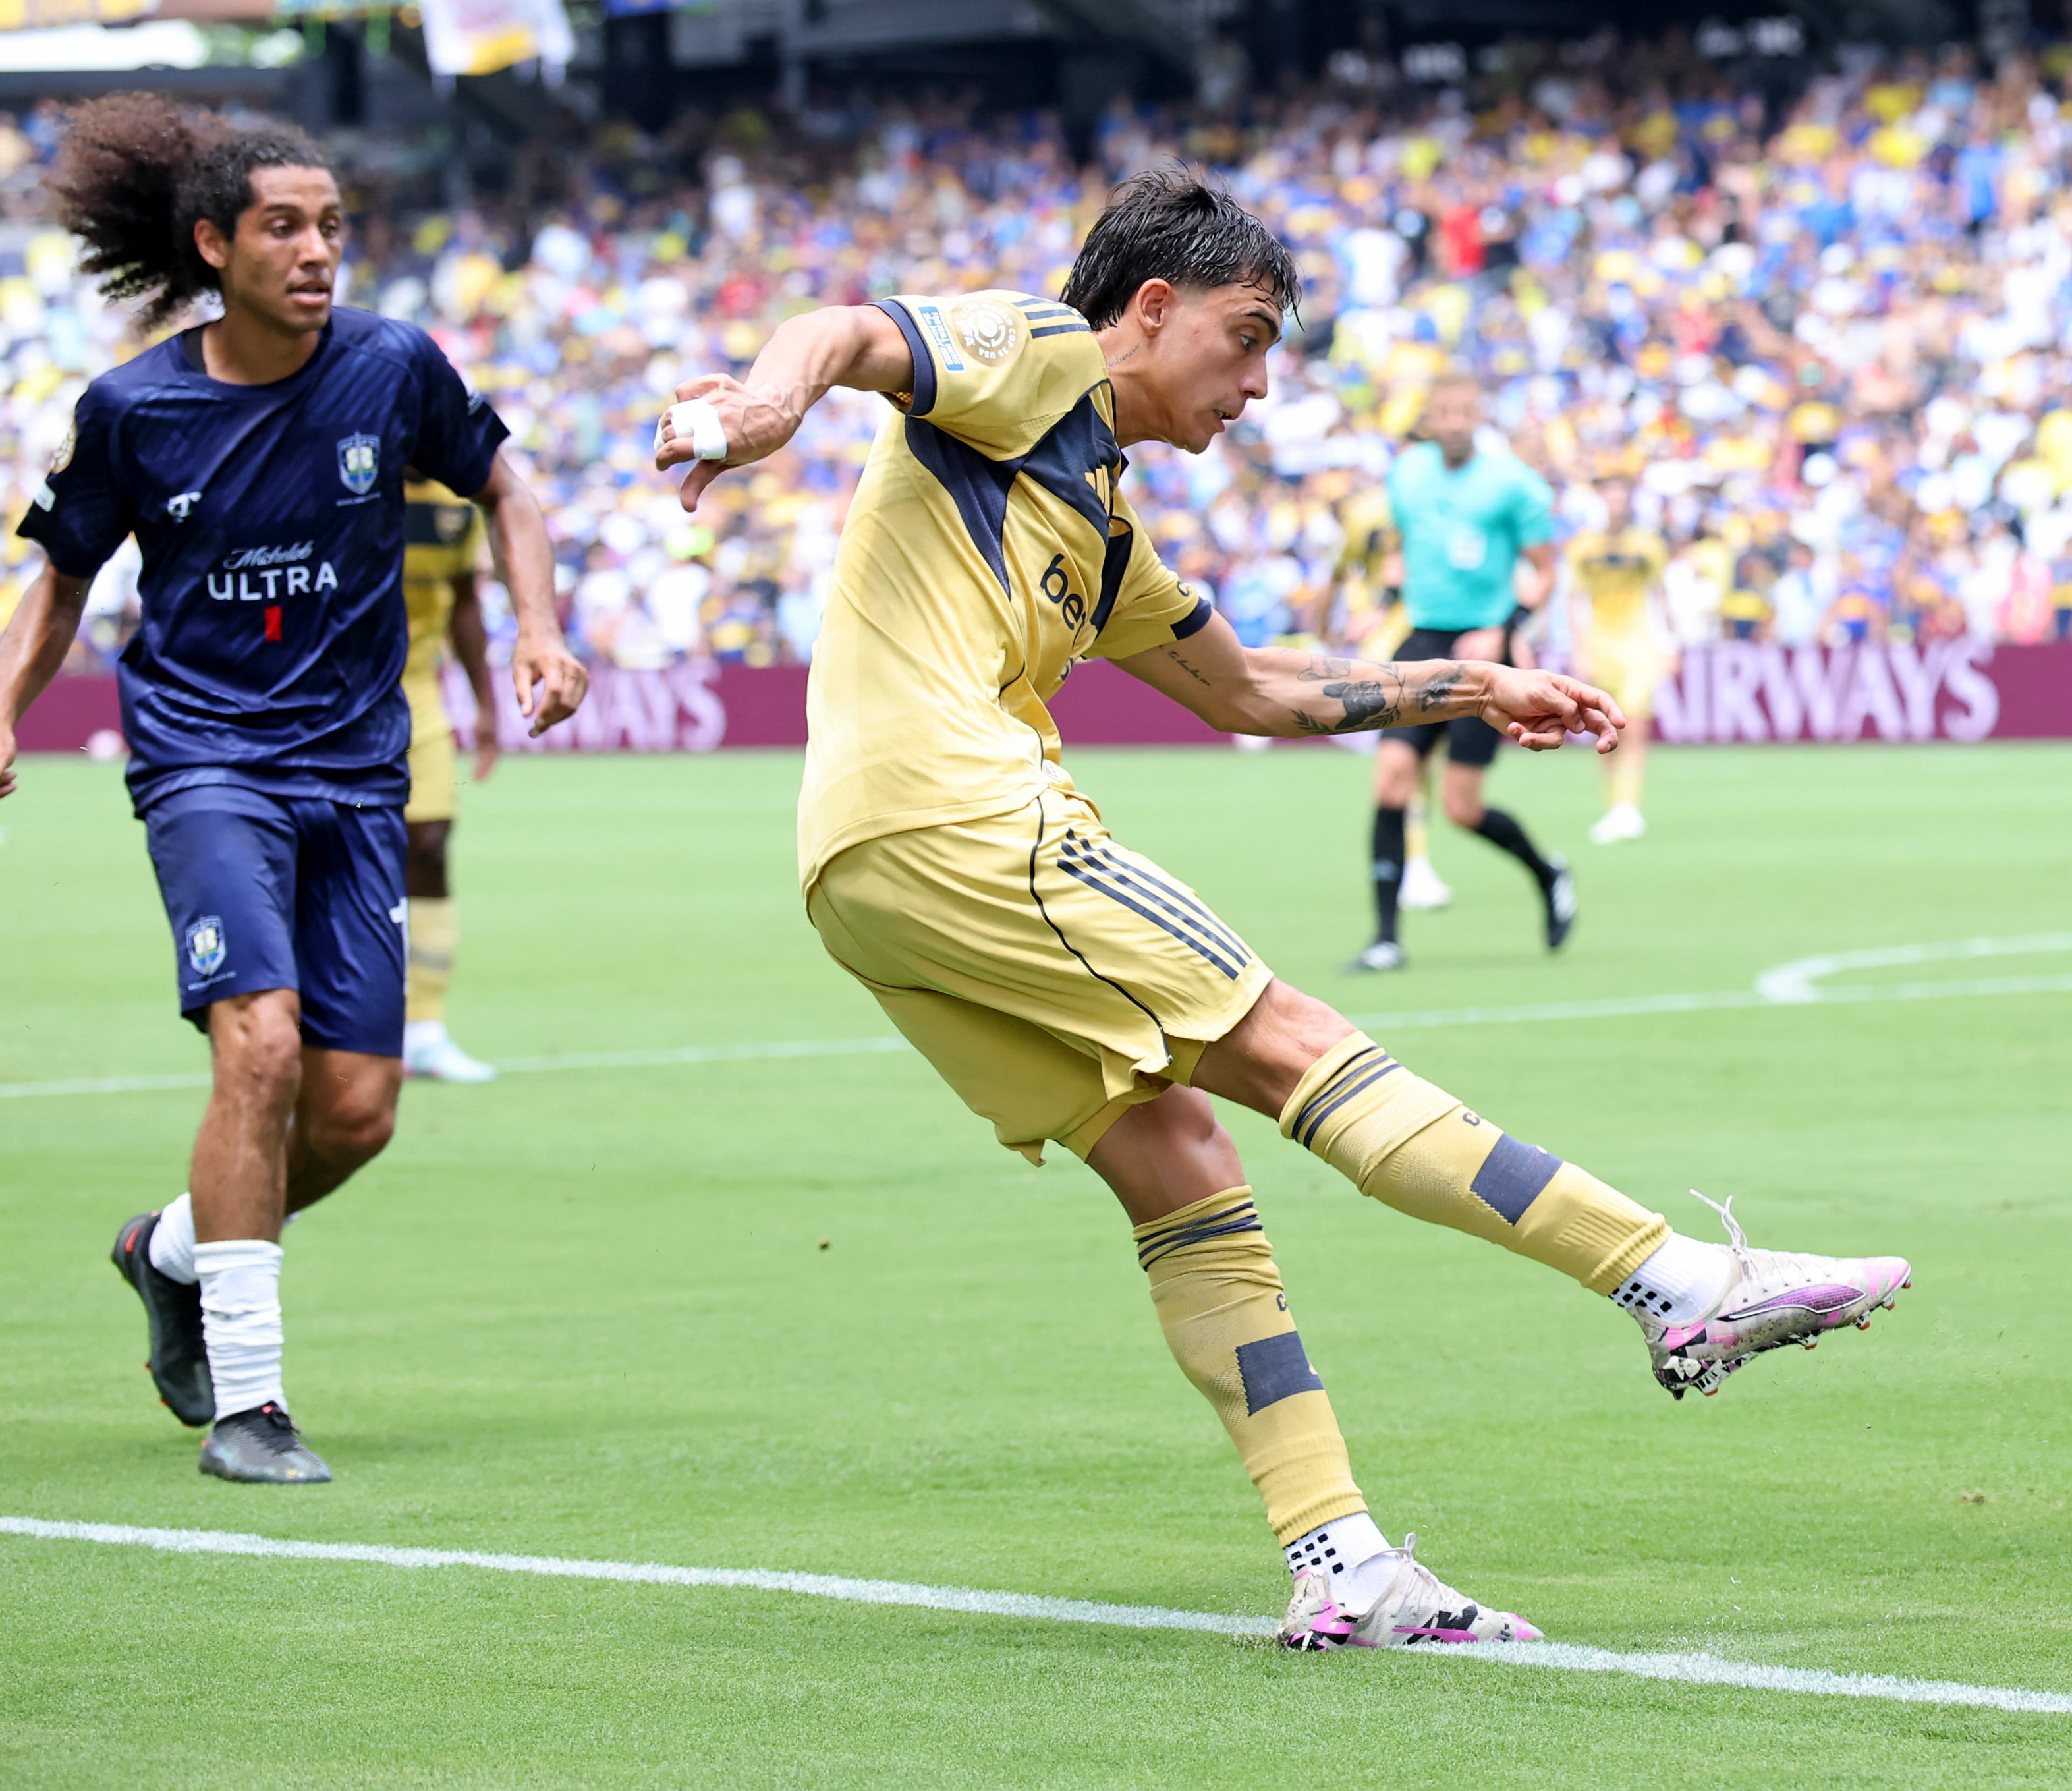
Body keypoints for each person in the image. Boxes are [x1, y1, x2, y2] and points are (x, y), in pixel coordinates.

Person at [652, 167, 1907, 1650]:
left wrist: (1472, 683)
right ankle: (1675, 1277)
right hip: (960, 812)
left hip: (861, 875)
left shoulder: (1096, 519)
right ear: (1155, 308)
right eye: (1245, 339)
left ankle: (1343, 1559)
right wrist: (760, 410)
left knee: (1182, 1162)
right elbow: (849, 331)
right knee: (1287, 1042)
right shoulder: (1043, 350)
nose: (1256, 384)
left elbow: (1251, 688)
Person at [0, 98, 584, 1485]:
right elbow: (61, 578)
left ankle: (169, 1252)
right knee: (262, 1045)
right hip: (206, 762)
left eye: (332, 227)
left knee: (358, 1110)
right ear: (214, 244)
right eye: (284, 228)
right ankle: (253, 1404)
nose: (316, 252)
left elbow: (511, 494)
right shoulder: (133, 410)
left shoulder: (394, 367)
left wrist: (536, 629)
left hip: (359, 773)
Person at [1351, 371, 1575, 973]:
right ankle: (1386, 939)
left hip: (1485, 647)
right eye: (1442, 413)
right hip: (1423, 639)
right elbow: (1402, 548)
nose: (1452, 423)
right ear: (1429, 416)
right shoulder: (1407, 474)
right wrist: (1381, 600)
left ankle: (1548, 872)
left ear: (1479, 416)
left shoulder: (1515, 486)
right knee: (1391, 780)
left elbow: (1544, 571)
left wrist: (1507, 625)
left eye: (1462, 412)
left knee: (1462, 808)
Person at [397, 477, 502, 1080]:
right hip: (332, 693)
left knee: (429, 850)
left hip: (418, 692)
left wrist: (485, 705)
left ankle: (424, 1031)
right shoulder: (344, 469)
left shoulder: (454, 502)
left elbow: (464, 602)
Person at [1313, 474, 1453, 911]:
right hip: (1409, 641)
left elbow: (1338, 576)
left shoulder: (1371, 512)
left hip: (1407, 640)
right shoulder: (1422, 506)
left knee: (1413, 760)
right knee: (1412, 760)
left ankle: (1413, 862)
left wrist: (1327, 629)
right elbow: (1365, 571)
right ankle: (1414, 863)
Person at [1563, 471, 1674, 844]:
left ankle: (1629, 807)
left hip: (1638, 645)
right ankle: (1616, 807)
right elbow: (1572, 599)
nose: (1616, 503)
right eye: (1609, 496)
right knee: (1604, 729)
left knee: (1635, 725)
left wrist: (1670, 643)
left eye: (1621, 496)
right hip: (1599, 646)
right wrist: (1578, 648)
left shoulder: (1648, 546)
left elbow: (1660, 595)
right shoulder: (1583, 547)